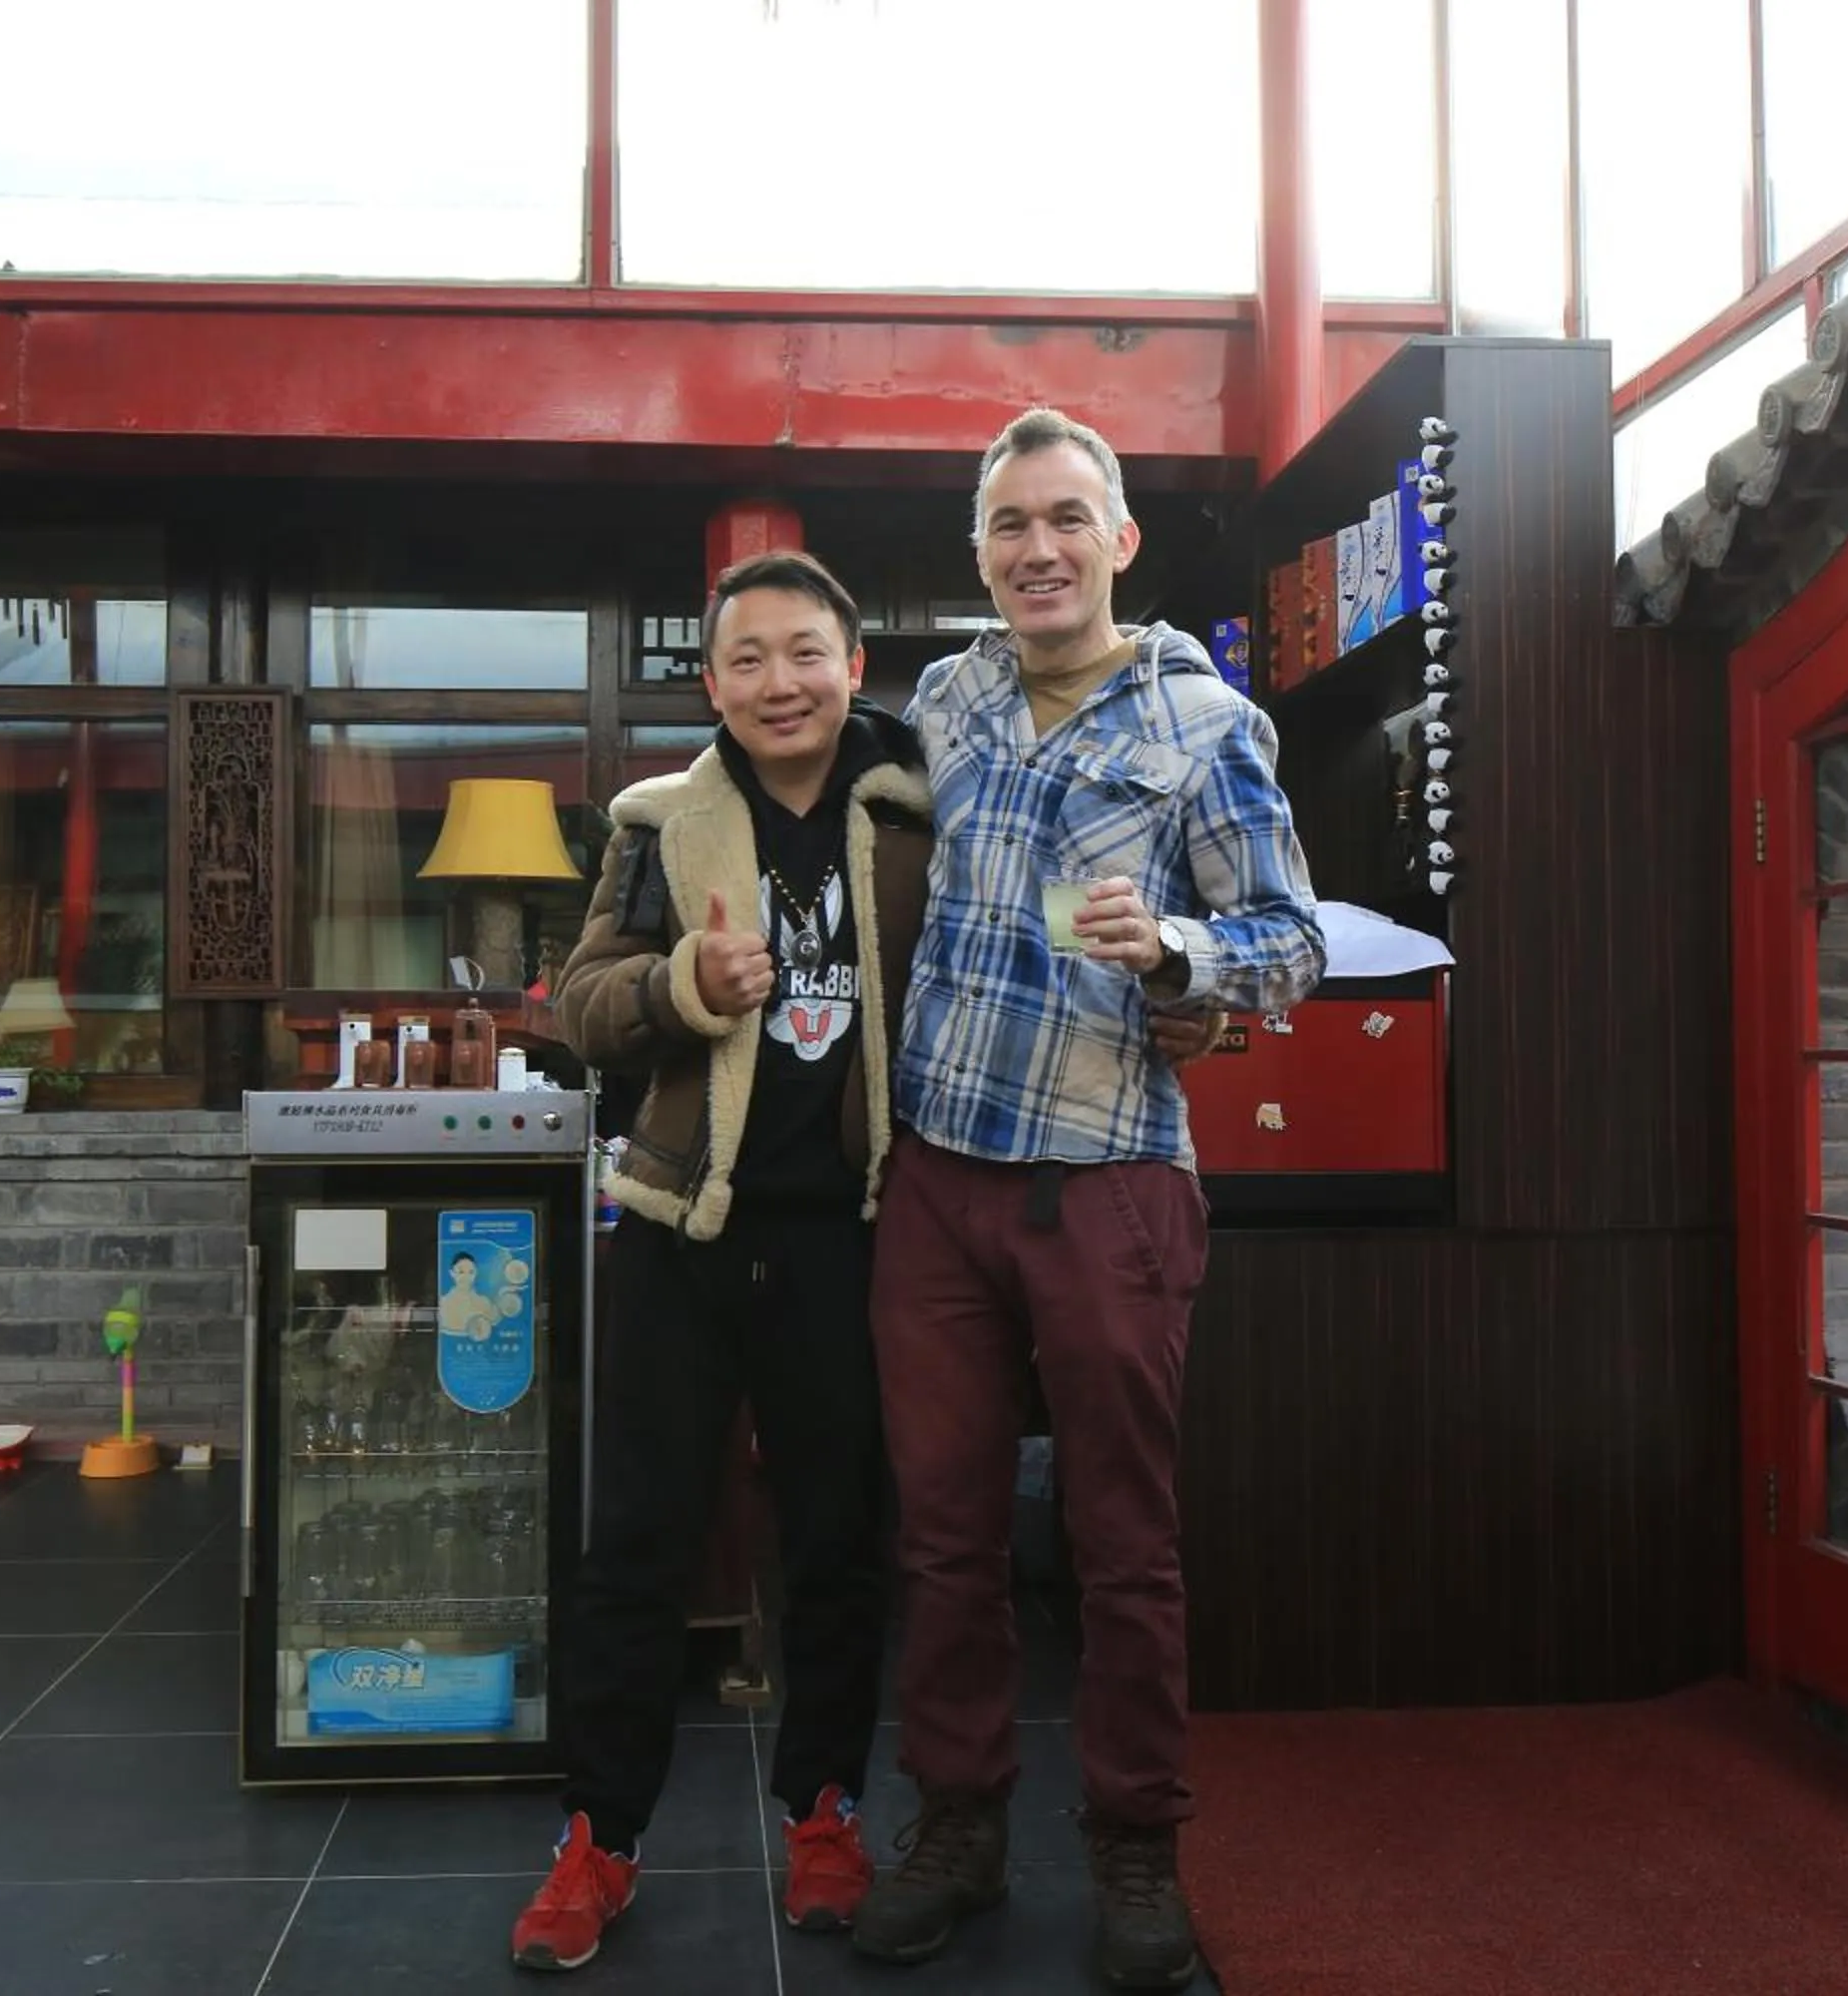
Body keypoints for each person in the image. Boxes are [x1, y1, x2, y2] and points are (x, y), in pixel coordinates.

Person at [852, 408, 1326, 1991]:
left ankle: (1135, 1848)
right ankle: (961, 1827)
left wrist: (1182, 956)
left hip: (1111, 1175)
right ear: (980, 556)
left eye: (1065, 519)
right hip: (936, 1177)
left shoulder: (1210, 728)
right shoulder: (950, 696)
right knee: (944, 1538)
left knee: (1121, 1546)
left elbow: (1291, 942)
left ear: (1120, 541)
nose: (1036, 550)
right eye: (1007, 527)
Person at [515, 548, 926, 1973]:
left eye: (804, 651)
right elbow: (581, 1004)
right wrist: (684, 988)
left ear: (853, 664)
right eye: (746, 658)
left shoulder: (913, 813)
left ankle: (823, 1809)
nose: (778, 682)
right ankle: (599, 1838)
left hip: (850, 1239)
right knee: (633, 1544)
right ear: (711, 684)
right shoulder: (657, 824)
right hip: (683, 1232)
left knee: (834, 1547)